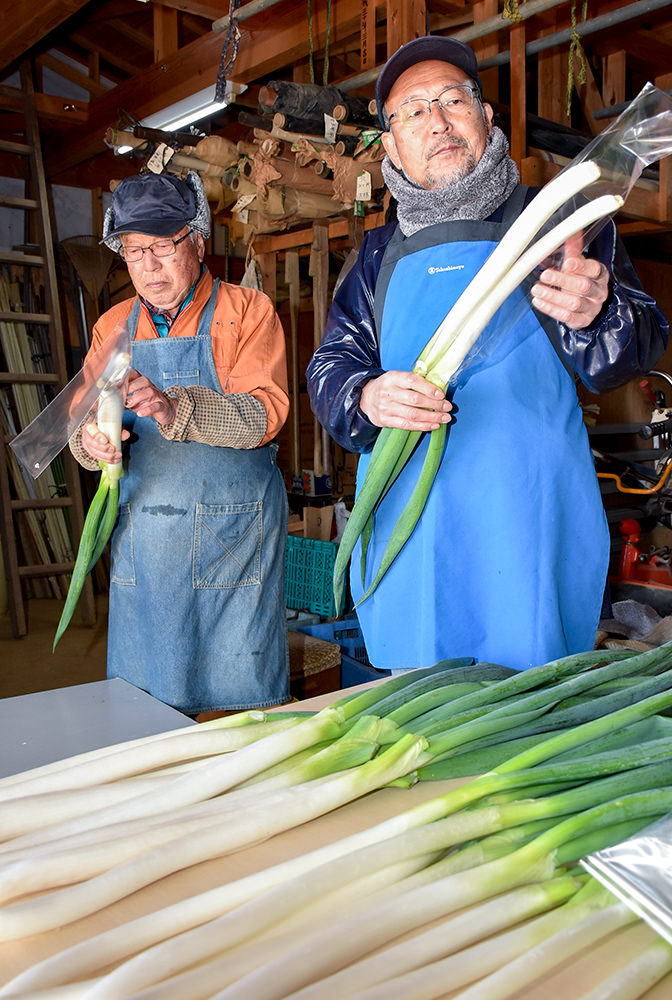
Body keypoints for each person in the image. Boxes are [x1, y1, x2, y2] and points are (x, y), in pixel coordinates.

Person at [306, 36, 670, 672]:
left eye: (453, 100)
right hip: (410, 534)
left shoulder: (557, 221)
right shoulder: (372, 258)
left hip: (531, 526)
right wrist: (365, 395)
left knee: (530, 715)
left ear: (487, 117)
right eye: (412, 111)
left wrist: (599, 312)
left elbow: (633, 346)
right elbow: (330, 368)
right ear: (389, 145)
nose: (438, 121)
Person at [69, 170, 291, 714]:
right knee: (144, 709)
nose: (148, 265)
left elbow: (264, 415)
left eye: (163, 245)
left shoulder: (247, 312)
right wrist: (92, 442)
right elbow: (82, 421)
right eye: (133, 250)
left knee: (240, 713)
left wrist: (173, 406)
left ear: (197, 239)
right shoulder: (111, 327)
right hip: (148, 541)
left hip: (232, 541)